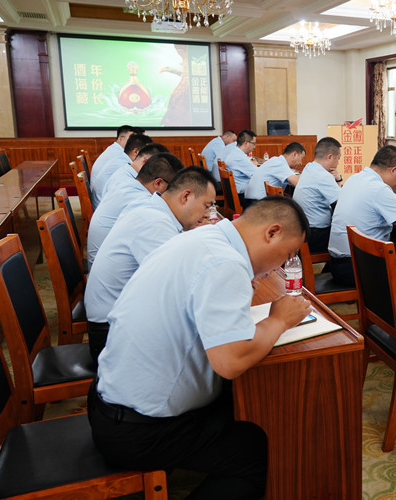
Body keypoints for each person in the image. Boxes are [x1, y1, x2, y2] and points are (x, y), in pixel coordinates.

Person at [88, 196, 310, 500]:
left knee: (244, 405)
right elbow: (231, 362)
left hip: (111, 402)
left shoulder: (204, 239)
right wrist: (279, 321)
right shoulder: (225, 263)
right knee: (260, 454)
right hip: (138, 430)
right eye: (286, 255)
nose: (279, 267)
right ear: (272, 232)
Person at [84, 167, 217, 362]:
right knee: (211, 347)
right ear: (186, 196)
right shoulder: (154, 222)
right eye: (207, 206)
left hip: (117, 317)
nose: (207, 215)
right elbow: (180, 286)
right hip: (110, 333)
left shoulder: (151, 207)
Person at [328, 145, 396, 286]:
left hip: (337, 264)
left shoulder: (355, 178)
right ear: (393, 170)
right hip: (357, 269)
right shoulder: (379, 189)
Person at [87, 150, 182, 266]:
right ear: (158, 183)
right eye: (172, 188)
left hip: (102, 258)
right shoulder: (140, 200)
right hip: (99, 262)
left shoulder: (130, 186)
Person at [292, 137, 343, 253]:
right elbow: (342, 203)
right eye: (338, 159)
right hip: (316, 234)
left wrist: (337, 180)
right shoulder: (323, 176)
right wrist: (339, 180)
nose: (338, 163)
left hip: (303, 229)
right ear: (329, 157)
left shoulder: (309, 167)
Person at [91, 132, 152, 208]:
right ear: (136, 152)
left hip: (103, 203)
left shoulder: (120, 159)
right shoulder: (122, 165)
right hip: (101, 205)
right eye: (147, 153)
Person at [220, 129, 259, 194]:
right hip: (243, 194)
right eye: (253, 143)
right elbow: (258, 174)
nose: (254, 147)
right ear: (246, 143)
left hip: (237, 191)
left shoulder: (235, 152)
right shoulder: (239, 158)